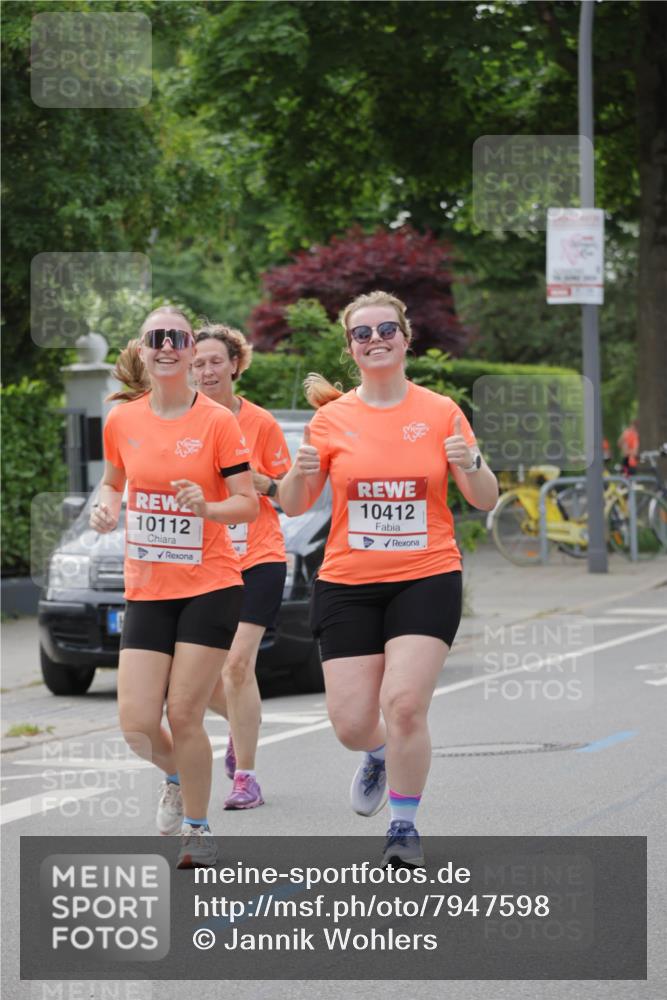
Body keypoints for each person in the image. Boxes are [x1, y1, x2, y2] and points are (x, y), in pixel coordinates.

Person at [278, 290, 499, 867]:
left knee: (403, 704)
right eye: (362, 333)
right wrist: (297, 475)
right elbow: (295, 505)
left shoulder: (440, 411)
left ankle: (403, 827)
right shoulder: (330, 420)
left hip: (426, 574)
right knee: (353, 721)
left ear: (405, 338)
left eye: (386, 330)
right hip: (349, 579)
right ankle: (377, 753)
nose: (375, 339)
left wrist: (471, 461)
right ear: (351, 348)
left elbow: (484, 498)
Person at [90, 306, 258, 868]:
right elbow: (113, 481)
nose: (166, 346)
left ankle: (198, 829)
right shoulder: (122, 421)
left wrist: (206, 507)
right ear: (141, 349)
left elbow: (248, 503)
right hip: (148, 586)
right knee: (137, 724)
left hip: (210, 584)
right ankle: (174, 776)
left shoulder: (216, 421)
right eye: (155, 337)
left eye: (177, 338)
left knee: (184, 712)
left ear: (191, 351)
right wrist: (106, 505)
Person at [191, 324, 291, 809]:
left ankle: (246, 779)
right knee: (200, 679)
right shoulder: (179, 424)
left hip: (259, 555)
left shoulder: (262, 424)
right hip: (204, 560)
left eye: (215, 361)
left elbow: (292, 497)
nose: (206, 371)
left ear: (235, 364)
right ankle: (239, 724)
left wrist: (261, 483)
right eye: (197, 363)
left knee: (235, 665)